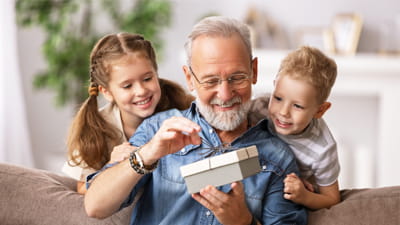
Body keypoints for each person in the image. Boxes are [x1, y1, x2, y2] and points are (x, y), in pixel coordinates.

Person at [84, 16, 307, 225]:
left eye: (237, 78)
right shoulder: (157, 130)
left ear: (254, 71)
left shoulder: (277, 158)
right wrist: (148, 153)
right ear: (190, 78)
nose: (226, 94)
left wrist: (244, 222)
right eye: (211, 81)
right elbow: (95, 206)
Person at [63, 32, 194, 194]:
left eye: (147, 79)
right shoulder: (93, 129)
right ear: (107, 92)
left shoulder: (181, 106)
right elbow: (83, 189)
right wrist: (112, 166)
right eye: (127, 86)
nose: (141, 91)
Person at [249, 46, 340, 210]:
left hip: (282, 198)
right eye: (278, 98)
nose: (283, 112)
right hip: (253, 180)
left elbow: (332, 199)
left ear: (320, 110)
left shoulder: (323, 149)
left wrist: (305, 196)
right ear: (274, 86)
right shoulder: (258, 108)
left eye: (297, 106)